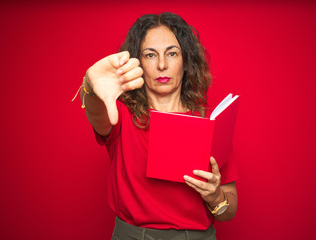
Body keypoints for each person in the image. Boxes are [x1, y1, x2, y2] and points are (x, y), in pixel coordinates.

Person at [76, 12, 238, 240]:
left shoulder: (209, 124)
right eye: (150, 55)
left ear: (186, 61)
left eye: (172, 53)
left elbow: (229, 210)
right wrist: (91, 86)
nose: (162, 65)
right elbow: (97, 112)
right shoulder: (121, 115)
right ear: (138, 62)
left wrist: (215, 196)